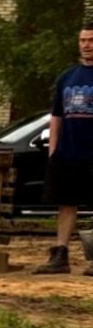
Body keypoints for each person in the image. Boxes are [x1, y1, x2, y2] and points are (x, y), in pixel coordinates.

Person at [33, 23, 93, 274]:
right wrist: (53, 151)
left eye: (91, 40)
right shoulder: (67, 77)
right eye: (83, 40)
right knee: (66, 204)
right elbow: (56, 116)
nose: (86, 45)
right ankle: (60, 256)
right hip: (67, 153)